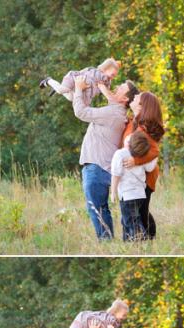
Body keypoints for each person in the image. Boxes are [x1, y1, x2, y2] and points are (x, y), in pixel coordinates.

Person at [72, 75, 140, 240]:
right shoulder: (116, 111)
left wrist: (78, 89)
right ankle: (109, 240)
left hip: (97, 167)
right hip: (99, 167)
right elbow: (111, 98)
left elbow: (80, 112)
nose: (116, 87)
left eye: (121, 88)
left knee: (97, 208)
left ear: (124, 98)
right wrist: (102, 86)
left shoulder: (113, 113)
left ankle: (106, 241)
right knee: (100, 208)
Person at [118, 92, 165, 239]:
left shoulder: (145, 127)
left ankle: (145, 239)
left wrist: (135, 161)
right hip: (133, 176)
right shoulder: (135, 122)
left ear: (142, 105)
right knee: (137, 211)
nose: (135, 96)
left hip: (144, 177)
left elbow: (154, 151)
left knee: (139, 212)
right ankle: (145, 239)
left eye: (138, 97)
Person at [110, 130, 157, 242]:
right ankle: (128, 243)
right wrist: (155, 155)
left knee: (131, 221)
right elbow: (150, 168)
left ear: (131, 142)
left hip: (128, 195)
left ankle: (142, 240)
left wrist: (113, 192)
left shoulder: (120, 154)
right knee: (127, 220)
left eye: (131, 137)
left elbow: (116, 174)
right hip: (140, 195)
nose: (128, 136)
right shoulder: (141, 156)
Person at [40, 58, 121, 105]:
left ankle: (57, 87)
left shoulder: (107, 82)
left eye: (114, 76)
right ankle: (49, 81)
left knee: (72, 98)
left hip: (81, 90)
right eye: (112, 74)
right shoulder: (96, 73)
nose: (113, 77)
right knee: (61, 90)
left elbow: (107, 93)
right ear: (105, 69)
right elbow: (83, 74)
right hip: (74, 79)